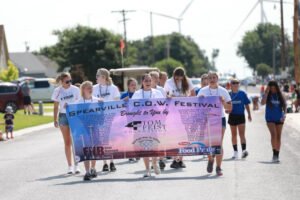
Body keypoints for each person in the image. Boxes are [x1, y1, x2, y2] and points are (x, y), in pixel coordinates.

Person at [197, 71, 232, 176]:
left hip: (219, 119)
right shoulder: (202, 91)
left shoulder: (223, 91)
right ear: (207, 80)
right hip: (206, 120)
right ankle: (210, 159)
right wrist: (200, 100)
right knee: (208, 143)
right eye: (210, 78)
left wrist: (223, 102)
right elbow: (196, 107)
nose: (212, 80)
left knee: (218, 143)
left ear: (217, 79)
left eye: (214, 77)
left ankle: (218, 167)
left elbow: (229, 108)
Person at [132, 73, 164, 178]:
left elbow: (163, 106)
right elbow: (132, 108)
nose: (148, 83)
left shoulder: (158, 93)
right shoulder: (137, 94)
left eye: (150, 81)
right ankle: (147, 169)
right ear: (142, 82)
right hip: (141, 123)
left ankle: (154, 163)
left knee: (155, 144)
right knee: (144, 145)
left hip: (154, 123)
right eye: (146, 81)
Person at [164, 67, 195, 169]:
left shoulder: (188, 81)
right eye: (176, 78)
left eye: (180, 78)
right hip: (173, 113)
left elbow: (193, 94)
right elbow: (165, 95)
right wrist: (169, 97)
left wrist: (186, 100)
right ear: (173, 76)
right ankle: (174, 159)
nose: (178, 80)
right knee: (174, 136)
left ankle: (181, 160)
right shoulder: (168, 82)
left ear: (183, 77)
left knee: (184, 136)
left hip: (185, 112)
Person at [52, 72, 81, 174]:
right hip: (63, 116)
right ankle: (70, 166)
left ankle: (77, 165)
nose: (69, 83)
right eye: (67, 81)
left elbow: (80, 102)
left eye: (70, 81)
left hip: (74, 115)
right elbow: (56, 106)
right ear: (61, 82)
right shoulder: (57, 91)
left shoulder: (76, 89)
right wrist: (54, 119)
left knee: (75, 141)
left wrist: (71, 104)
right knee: (67, 142)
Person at [93, 68, 120, 172]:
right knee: (101, 140)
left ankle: (112, 162)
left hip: (111, 117)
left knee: (110, 140)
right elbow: (90, 101)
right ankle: (104, 162)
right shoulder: (94, 88)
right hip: (99, 117)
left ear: (103, 77)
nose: (96, 78)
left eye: (98, 76)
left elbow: (117, 103)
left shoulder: (113, 88)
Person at [75, 81, 100, 181]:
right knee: (86, 149)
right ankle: (87, 171)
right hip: (84, 129)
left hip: (95, 128)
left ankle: (93, 168)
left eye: (91, 87)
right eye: (88, 87)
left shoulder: (97, 100)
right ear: (83, 90)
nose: (90, 89)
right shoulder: (79, 102)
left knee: (94, 149)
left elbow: (102, 112)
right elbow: (74, 114)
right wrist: (67, 107)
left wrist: (102, 104)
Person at [261, 80, 287, 162]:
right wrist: (266, 92)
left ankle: (277, 155)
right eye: (271, 88)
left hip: (279, 118)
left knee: (278, 136)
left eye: (274, 87)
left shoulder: (280, 95)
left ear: (276, 87)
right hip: (270, 118)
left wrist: (284, 115)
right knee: (273, 134)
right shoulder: (267, 95)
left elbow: (285, 105)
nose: (272, 89)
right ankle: (274, 154)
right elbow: (262, 103)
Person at [228, 79, 252, 159]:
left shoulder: (242, 93)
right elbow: (225, 105)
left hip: (241, 115)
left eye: (237, 83)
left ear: (239, 84)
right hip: (232, 116)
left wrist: (249, 114)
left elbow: (247, 104)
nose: (235, 84)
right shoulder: (228, 94)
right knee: (234, 135)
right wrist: (227, 110)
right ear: (230, 85)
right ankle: (235, 152)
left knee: (242, 134)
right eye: (233, 83)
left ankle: (244, 151)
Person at [120, 78, 140, 162]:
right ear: (128, 86)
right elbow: (118, 106)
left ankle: (137, 153)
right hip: (127, 118)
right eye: (132, 85)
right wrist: (123, 101)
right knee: (129, 136)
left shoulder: (139, 94)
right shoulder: (124, 95)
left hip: (137, 118)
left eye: (135, 84)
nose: (134, 86)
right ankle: (130, 154)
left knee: (136, 136)